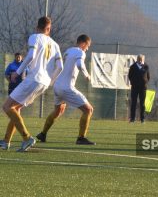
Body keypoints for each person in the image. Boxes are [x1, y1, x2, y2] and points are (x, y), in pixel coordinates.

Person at [0, 16, 63, 152]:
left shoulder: (35, 37)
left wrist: (17, 72)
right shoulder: (55, 44)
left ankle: (27, 137)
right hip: (44, 83)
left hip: (33, 79)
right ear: (49, 29)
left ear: (37, 27)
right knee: (15, 109)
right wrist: (51, 81)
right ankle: (5, 141)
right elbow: (60, 66)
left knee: (6, 107)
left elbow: (31, 56)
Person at [36, 34, 95, 145]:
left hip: (57, 86)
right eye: (87, 46)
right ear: (83, 43)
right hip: (66, 88)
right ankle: (81, 138)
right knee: (89, 110)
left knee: (58, 111)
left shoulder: (68, 51)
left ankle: (42, 134)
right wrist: (87, 75)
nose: (87, 49)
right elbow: (79, 64)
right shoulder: (80, 52)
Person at [128, 54, 150, 123]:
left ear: (143, 60)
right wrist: (133, 82)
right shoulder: (133, 67)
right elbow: (130, 76)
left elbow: (148, 76)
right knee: (133, 103)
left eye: (142, 59)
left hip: (143, 88)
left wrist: (145, 82)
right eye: (139, 59)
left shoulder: (146, 66)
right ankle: (132, 119)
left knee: (142, 103)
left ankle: (142, 119)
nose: (140, 61)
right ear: (137, 59)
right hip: (134, 87)